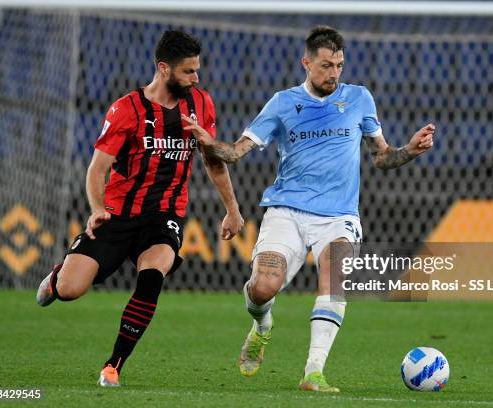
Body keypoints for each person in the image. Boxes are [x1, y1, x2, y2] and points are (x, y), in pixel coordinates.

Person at [182, 26, 434, 392]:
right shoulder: (283, 103)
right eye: (326, 65)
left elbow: (381, 157)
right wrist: (210, 143)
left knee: (334, 280)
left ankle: (313, 372)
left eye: (340, 65)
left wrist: (408, 150)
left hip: (339, 216)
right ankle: (262, 326)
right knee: (263, 288)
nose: (334, 73)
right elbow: (235, 153)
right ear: (306, 63)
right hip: (286, 211)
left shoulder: (359, 99)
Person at [35, 29, 244, 387]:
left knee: (153, 274)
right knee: (71, 290)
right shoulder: (126, 109)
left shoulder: (201, 104)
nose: (196, 79)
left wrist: (232, 209)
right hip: (117, 214)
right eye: (188, 72)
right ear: (164, 69)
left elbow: (213, 160)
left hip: (165, 215)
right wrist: (97, 208)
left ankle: (113, 365)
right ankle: (58, 277)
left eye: (197, 71)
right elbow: (97, 169)